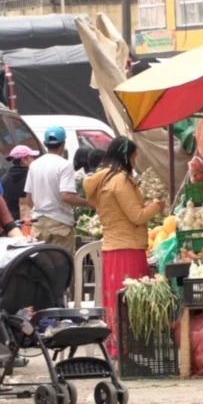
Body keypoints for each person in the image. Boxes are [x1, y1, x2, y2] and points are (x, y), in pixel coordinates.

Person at [83, 137, 165, 357]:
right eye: (134, 156)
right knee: (131, 301)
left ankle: (118, 347)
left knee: (116, 301)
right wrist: (157, 206)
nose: (135, 160)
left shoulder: (102, 180)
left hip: (112, 248)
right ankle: (130, 350)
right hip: (127, 248)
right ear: (126, 156)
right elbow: (136, 216)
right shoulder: (120, 180)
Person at [24, 126, 90, 256]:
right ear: (63, 144)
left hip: (38, 225)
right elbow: (66, 196)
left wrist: (41, 210)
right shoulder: (64, 165)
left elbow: (28, 200)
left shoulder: (34, 165)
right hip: (59, 224)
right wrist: (89, 203)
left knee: (42, 266)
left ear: (44, 144)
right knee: (63, 267)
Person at [1, 145, 39, 221]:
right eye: (32, 157)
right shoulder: (31, 177)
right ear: (24, 159)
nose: (34, 160)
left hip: (9, 221)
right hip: (28, 221)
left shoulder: (4, 178)